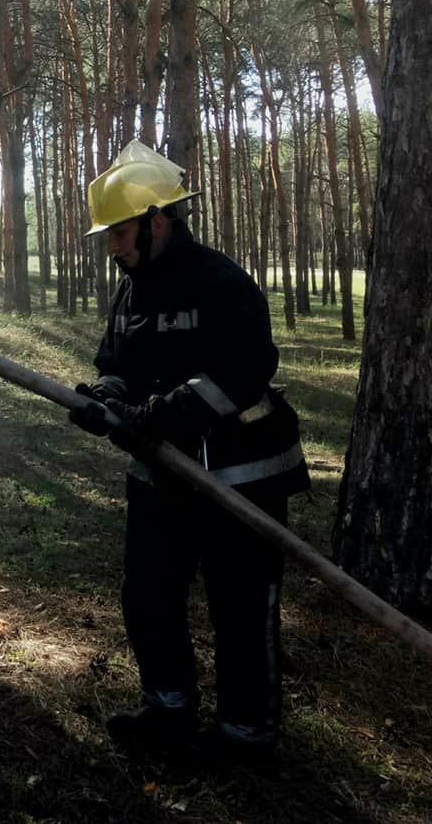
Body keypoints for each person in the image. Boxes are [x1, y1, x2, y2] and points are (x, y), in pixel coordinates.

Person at [68, 140, 309, 762]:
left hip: (242, 477)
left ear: (158, 221)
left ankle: (245, 733)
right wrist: (104, 397)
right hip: (162, 477)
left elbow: (249, 367)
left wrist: (167, 413)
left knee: (239, 606)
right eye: (108, 237)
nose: (112, 248)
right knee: (148, 593)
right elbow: (115, 361)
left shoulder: (221, 282)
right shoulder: (130, 290)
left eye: (119, 233)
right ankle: (167, 708)